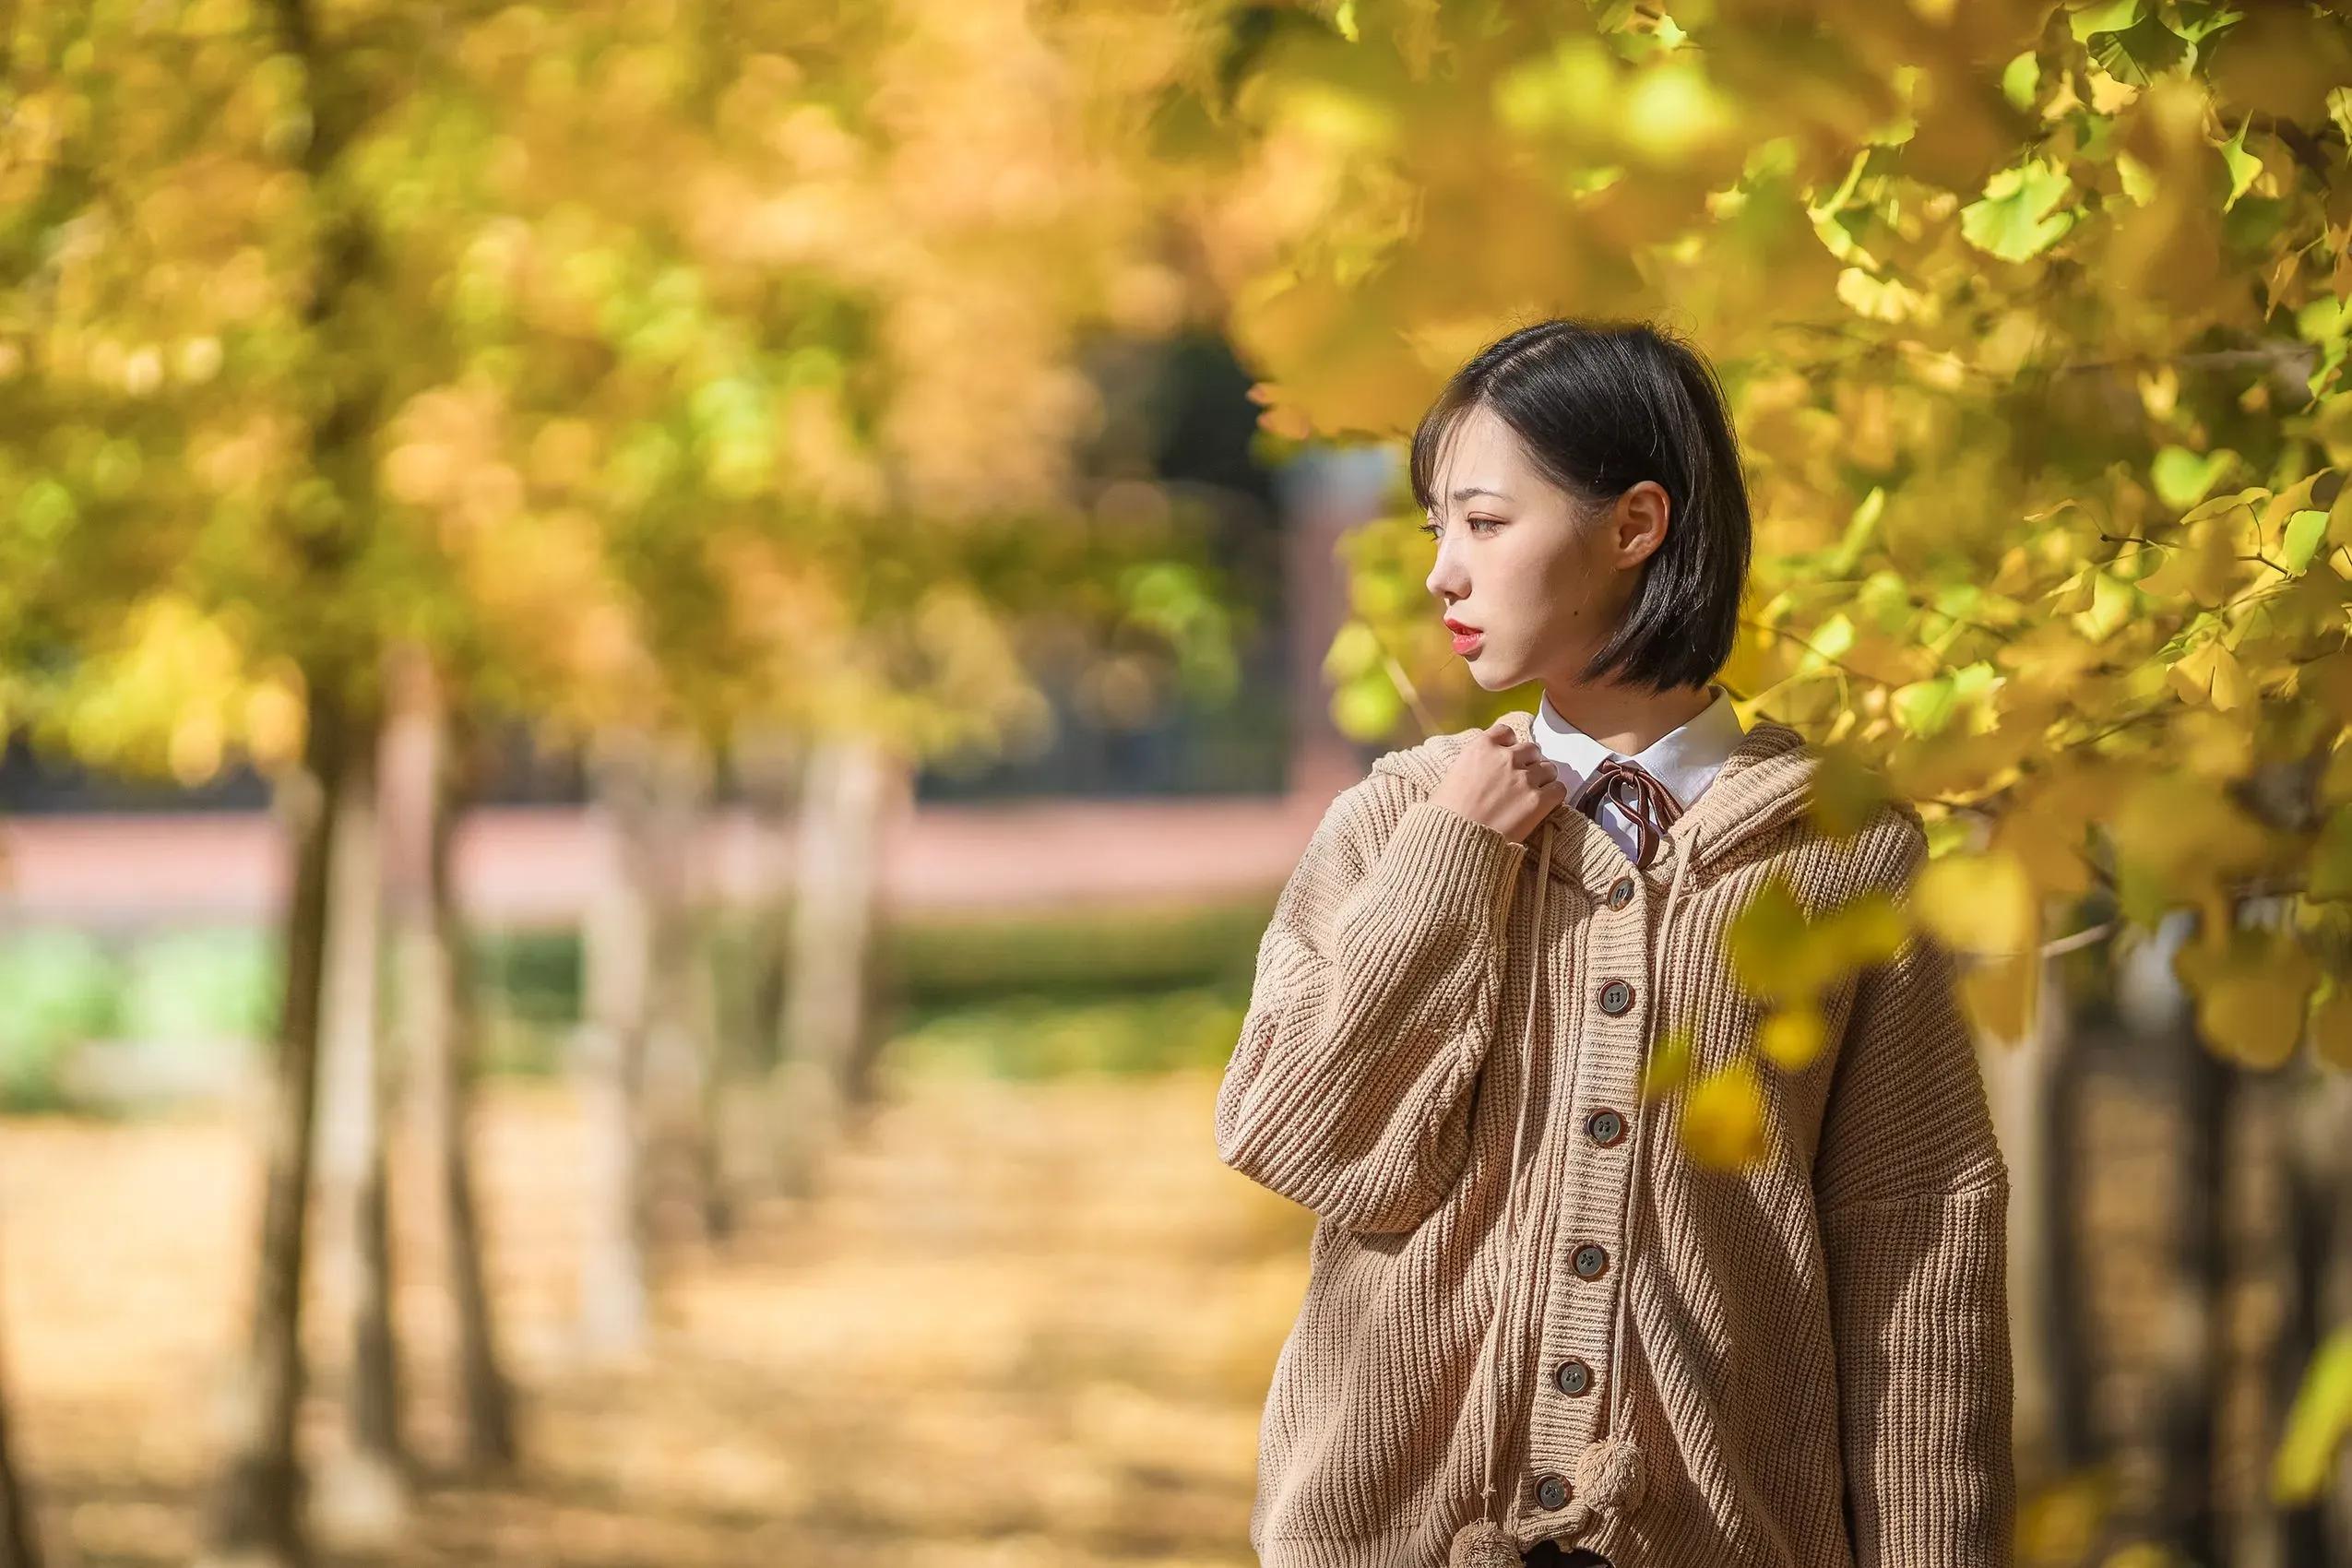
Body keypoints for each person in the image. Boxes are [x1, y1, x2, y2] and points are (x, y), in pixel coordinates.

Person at [1214, 318, 2013, 1568]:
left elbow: (1915, 1245)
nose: (1441, 575)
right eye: (1435, 530)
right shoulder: (1397, 823)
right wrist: (1452, 860)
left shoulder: (1843, 851)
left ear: (1635, 525)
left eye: (1484, 523)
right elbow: (1295, 1134)